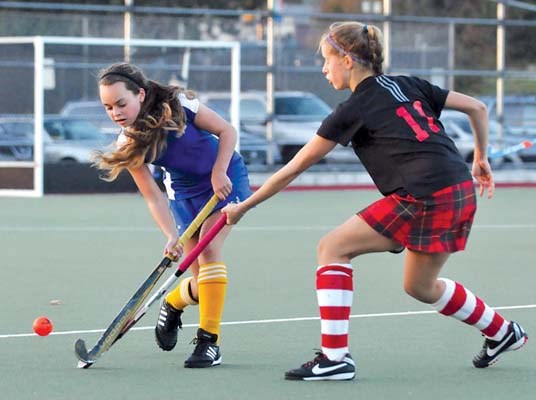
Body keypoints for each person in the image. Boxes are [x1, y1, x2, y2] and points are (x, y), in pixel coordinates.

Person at [222, 21, 528, 381]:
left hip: (424, 194)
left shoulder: (353, 109)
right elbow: (477, 107)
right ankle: (502, 331)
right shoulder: (409, 84)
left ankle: (335, 358)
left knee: (332, 247)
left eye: (327, 60)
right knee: (420, 287)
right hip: (457, 188)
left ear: (348, 60)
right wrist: (480, 157)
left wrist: (242, 207)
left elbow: (293, 169)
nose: (324, 68)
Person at [93, 62, 252, 368]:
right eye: (108, 107)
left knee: (210, 251)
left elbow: (226, 131)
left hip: (226, 175)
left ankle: (209, 342)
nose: (116, 113)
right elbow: (153, 196)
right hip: (183, 195)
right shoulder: (129, 143)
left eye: (121, 103)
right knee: (201, 281)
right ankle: (174, 302)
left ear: (140, 94)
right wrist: (170, 235)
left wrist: (219, 171)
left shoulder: (178, 105)